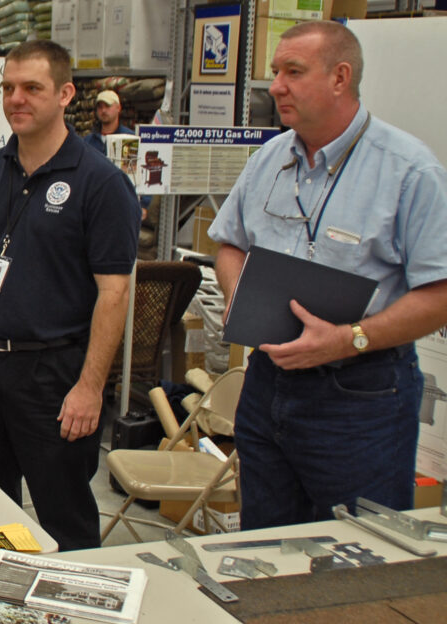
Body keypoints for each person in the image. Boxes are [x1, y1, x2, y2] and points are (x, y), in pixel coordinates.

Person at [208, 20, 447, 530]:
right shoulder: (270, 159)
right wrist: (237, 295)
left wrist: (349, 339)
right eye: (275, 72)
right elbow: (229, 242)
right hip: (269, 383)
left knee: (356, 558)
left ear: (341, 77)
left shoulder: (409, 172)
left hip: (361, 397)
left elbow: (441, 293)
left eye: (293, 72)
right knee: (265, 547)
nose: (276, 87)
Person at [0, 40, 140, 551]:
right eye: (8, 87)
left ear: (65, 94)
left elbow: (113, 293)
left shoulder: (101, 184)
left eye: (32, 88)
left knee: (64, 520)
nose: (16, 99)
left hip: (54, 378)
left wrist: (91, 387)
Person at [82, 89, 134, 154]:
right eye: (100, 107)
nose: (103, 110)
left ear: (118, 108)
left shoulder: (130, 138)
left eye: (107, 106)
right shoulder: (88, 141)